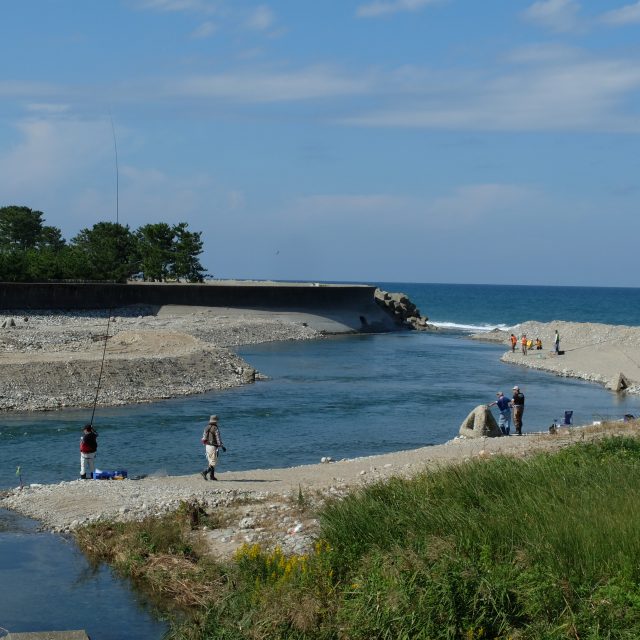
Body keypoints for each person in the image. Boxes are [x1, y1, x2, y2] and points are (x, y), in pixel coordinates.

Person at [200, 414, 226, 481]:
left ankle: (212, 476)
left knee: (210, 461)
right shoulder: (215, 428)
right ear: (216, 421)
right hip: (213, 446)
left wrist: (205, 443)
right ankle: (204, 472)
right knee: (213, 462)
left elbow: (204, 438)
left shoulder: (206, 427)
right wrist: (222, 446)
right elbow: (218, 439)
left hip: (207, 446)